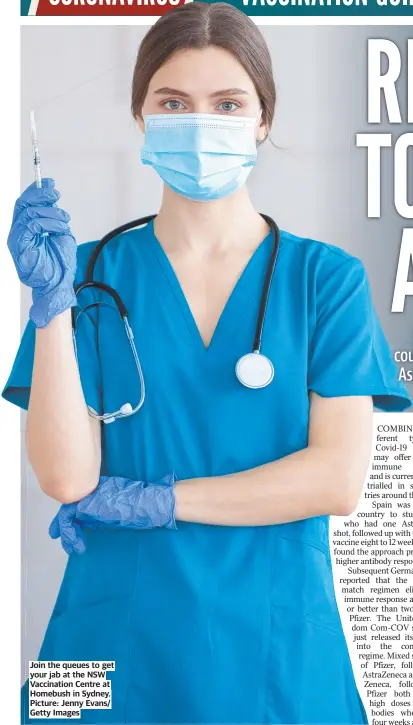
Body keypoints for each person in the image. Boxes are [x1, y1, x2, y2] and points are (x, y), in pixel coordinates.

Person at [4, 4, 412, 725]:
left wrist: (159, 500)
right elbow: (66, 478)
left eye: (227, 103)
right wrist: (49, 306)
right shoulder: (86, 276)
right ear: (140, 117)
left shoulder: (325, 281)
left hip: (280, 648)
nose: (200, 122)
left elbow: (336, 480)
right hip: (109, 640)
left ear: (262, 119)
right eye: (172, 103)